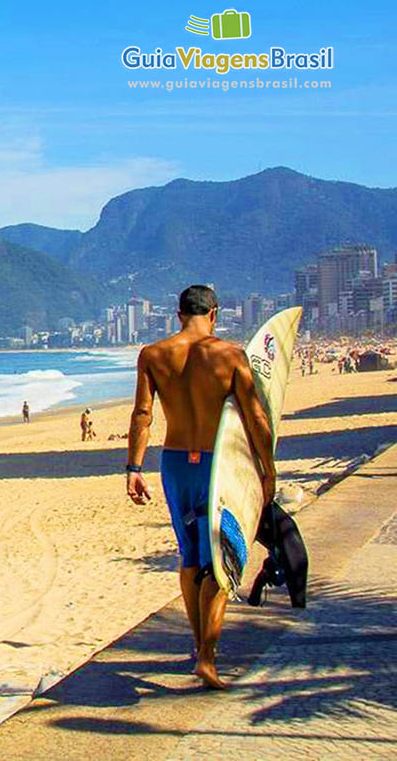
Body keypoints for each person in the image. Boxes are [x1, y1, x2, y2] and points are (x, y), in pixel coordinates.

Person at [126, 284, 275, 690]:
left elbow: (142, 414)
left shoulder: (153, 355)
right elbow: (256, 416)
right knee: (224, 556)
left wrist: (133, 468)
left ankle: (198, 647)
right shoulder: (229, 356)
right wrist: (267, 468)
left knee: (190, 557)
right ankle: (207, 657)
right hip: (217, 465)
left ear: (178, 315)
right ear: (214, 315)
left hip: (175, 465)